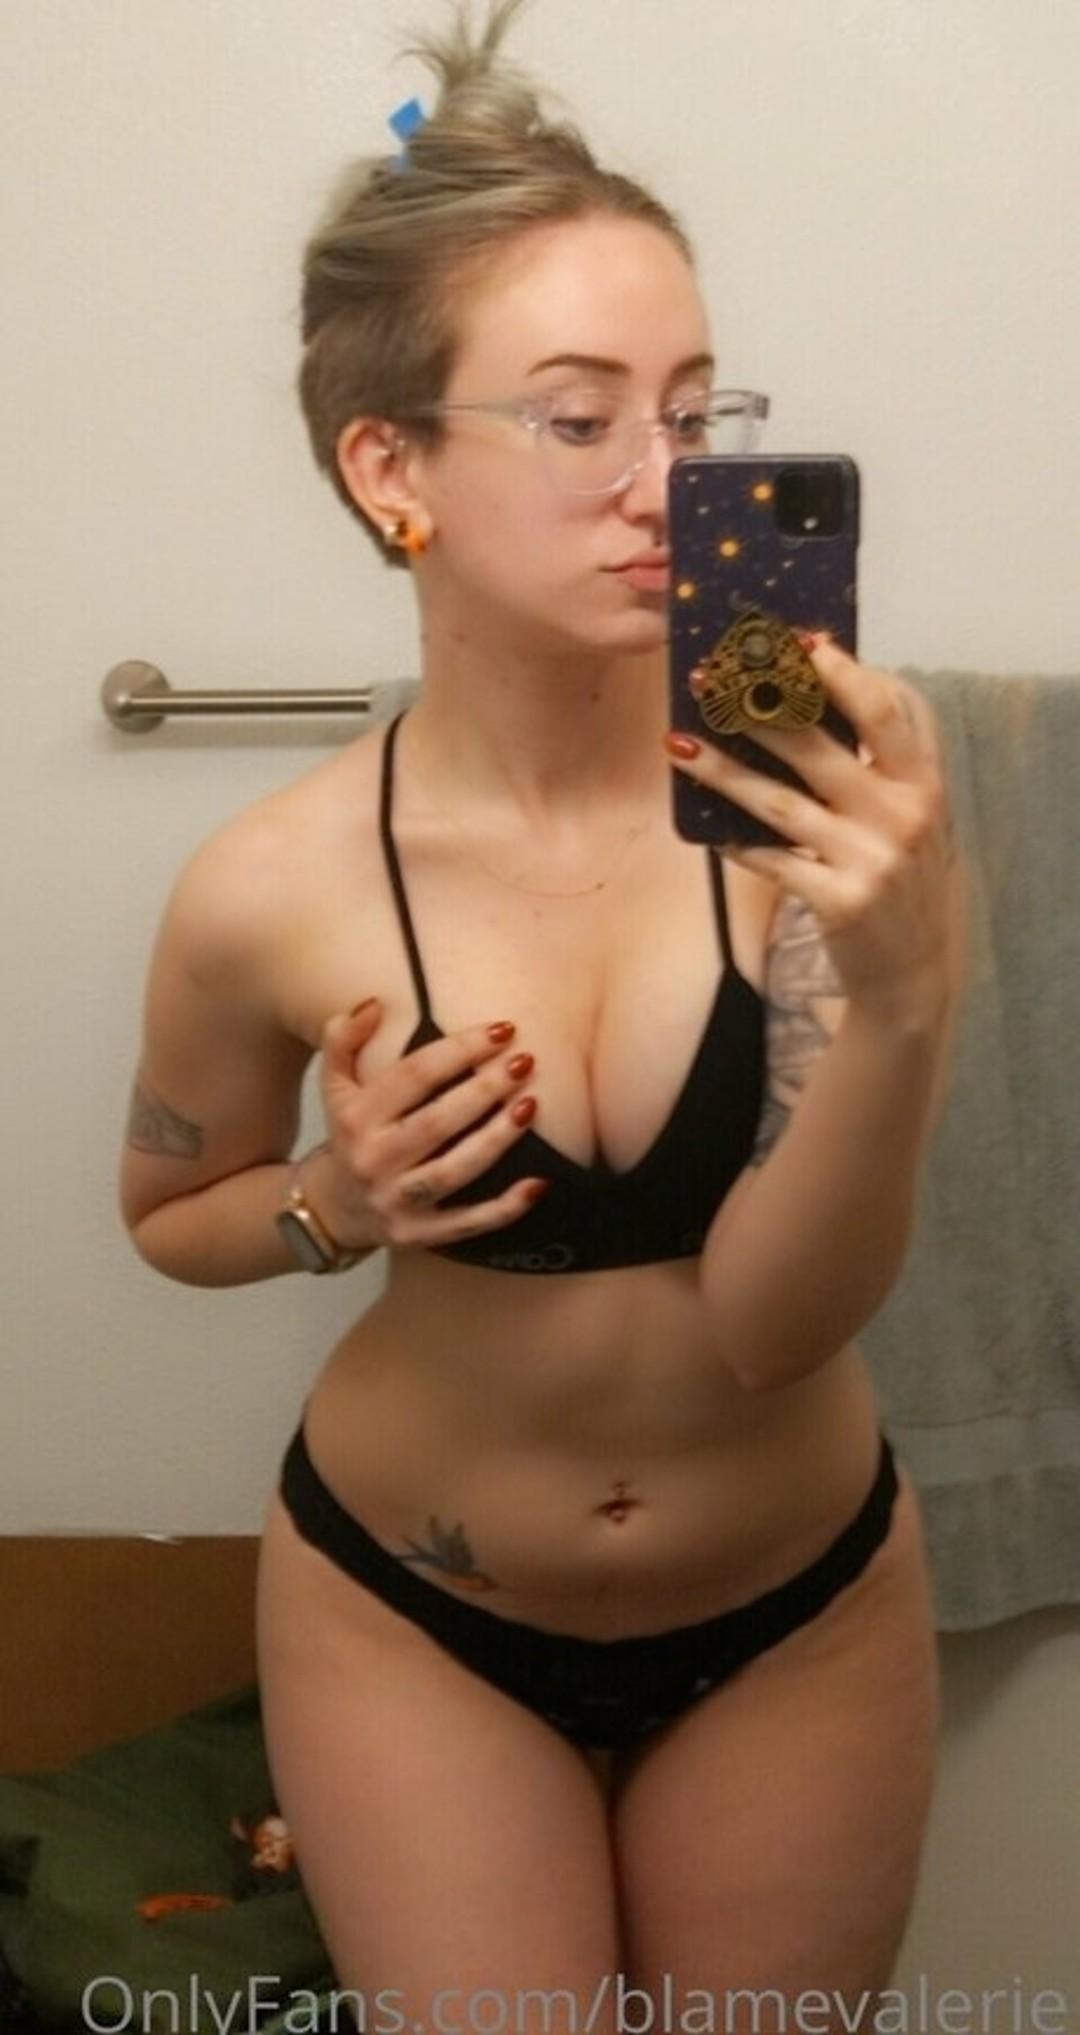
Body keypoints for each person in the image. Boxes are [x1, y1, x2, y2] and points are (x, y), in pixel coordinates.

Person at [119, 0, 966, 2022]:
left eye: (696, 409)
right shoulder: (269, 886)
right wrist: (334, 1200)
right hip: (414, 1618)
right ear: (390, 467)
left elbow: (774, 1323)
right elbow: (168, 1215)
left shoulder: (822, 817)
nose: (669, 483)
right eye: (581, 421)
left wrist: (907, 995)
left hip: (797, 1614)